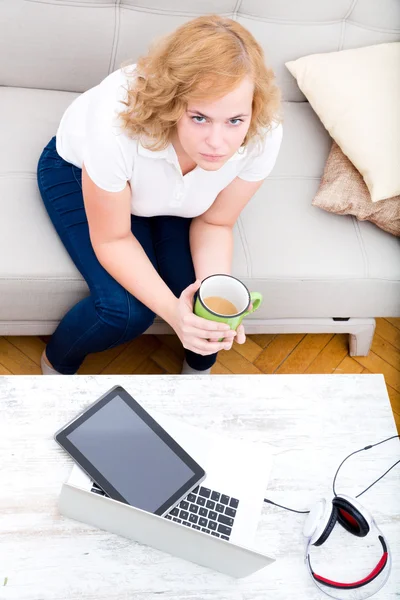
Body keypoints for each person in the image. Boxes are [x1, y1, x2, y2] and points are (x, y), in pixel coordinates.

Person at [37, 14, 282, 376]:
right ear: (172, 104)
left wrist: (211, 301)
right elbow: (113, 238)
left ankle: (196, 378)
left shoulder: (264, 133)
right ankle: (56, 366)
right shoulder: (114, 127)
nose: (218, 143)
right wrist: (174, 314)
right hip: (80, 173)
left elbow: (215, 221)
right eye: (200, 117)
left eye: (234, 121)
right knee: (125, 311)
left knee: (208, 308)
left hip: (171, 201)